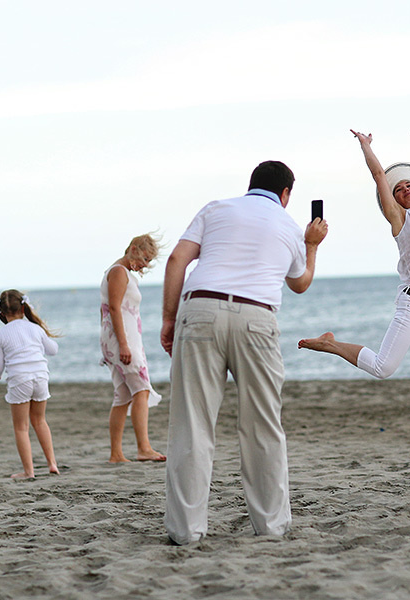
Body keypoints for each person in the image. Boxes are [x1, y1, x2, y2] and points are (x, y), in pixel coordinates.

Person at [160, 160, 328, 545]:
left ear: (251, 184)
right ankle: (270, 526)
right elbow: (300, 283)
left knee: (192, 423)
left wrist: (169, 318)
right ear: (285, 194)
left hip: (201, 308)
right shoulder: (289, 225)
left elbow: (176, 260)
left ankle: (186, 531)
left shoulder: (216, 208)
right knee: (262, 425)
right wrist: (311, 245)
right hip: (257, 317)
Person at [298, 127, 410, 379]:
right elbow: (378, 176)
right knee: (382, 368)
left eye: (409, 185)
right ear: (394, 201)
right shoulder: (400, 219)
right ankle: (330, 343)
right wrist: (365, 145)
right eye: (398, 189)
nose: (405, 188)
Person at [100, 233, 166, 463]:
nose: (145, 265)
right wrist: (123, 344)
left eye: (149, 261)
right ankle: (143, 448)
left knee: (124, 395)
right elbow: (114, 309)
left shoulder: (122, 272)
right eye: (145, 258)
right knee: (141, 389)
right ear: (134, 249)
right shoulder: (119, 271)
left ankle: (116, 454)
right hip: (122, 339)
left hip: (124, 338)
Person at [0, 290, 60, 479]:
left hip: (20, 380)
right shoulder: (35, 329)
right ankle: (52, 463)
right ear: (23, 308)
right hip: (40, 377)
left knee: (21, 427)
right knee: (40, 420)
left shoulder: (0, 334)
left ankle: (29, 472)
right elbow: (53, 350)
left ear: (1, 313)